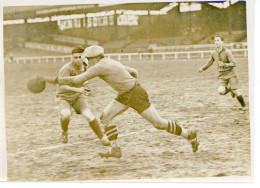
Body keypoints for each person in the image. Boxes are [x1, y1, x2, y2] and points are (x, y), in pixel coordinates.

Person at [43, 45, 199, 158]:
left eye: (89, 59)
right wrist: (128, 84)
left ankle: (188, 134)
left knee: (158, 123)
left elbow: (77, 80)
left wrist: (50, 79)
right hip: (127, 94)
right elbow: (133, 71)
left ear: (97, 58)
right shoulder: (110, 61)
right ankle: (115, 149)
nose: (87, 62)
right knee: (105, 117)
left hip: (134, 95)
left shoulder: (99, 66)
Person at [44, 47, 109, 146]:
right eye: (75, 57)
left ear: (84, 58)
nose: (77, 59)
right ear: (71, 58)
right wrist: (78, 90)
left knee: (89, 115)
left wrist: (86, 86)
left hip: (78, 96)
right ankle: (64, 132)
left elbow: (84, 78)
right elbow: (61, 86)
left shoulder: (85, 66)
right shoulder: (66, 69)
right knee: (66, 115)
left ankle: (102, 138)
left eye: (80, 57)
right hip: (64, 96)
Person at [198, 35, 247, 111]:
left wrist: (224, 64)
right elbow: (210, 61)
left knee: (236, 91)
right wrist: (202, 68)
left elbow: (234, 63)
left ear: (222, 42)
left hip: (231, 74)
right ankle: (230, 89)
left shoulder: (227, 52)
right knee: (221, 92)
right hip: (222, 75)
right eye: (215, 41)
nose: (216, 42)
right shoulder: (213, 52)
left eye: (218, 40)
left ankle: (244, 106)